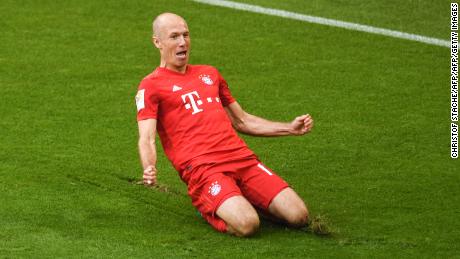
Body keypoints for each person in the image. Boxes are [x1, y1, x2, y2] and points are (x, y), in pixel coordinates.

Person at [136, 13, 314, 237]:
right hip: (204, 170)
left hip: (241, 159)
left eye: (186, 35)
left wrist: (289, 128)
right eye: (174, 37)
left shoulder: (209, 74)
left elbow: (242, 120)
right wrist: (148, 166)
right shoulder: (150, 85)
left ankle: (240, 198)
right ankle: (208, 208)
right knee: (248, 225)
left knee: (299, 216)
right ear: (157, 42)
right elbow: (147, 137)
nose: (182, 42)